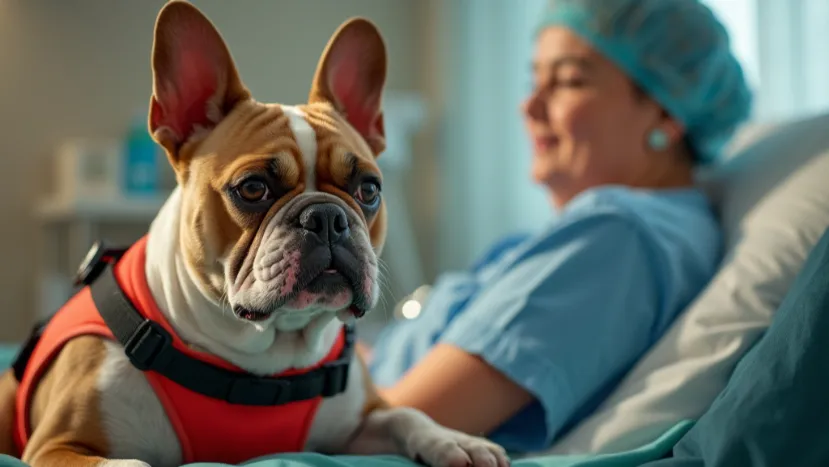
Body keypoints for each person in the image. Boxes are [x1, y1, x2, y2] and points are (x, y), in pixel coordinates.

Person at [363, 0, 753, 454]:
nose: (529, 106)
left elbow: (395, 425)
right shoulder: (632, 227)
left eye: (569, 81)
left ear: (667, 114)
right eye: (534, 80)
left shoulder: (617, 236)